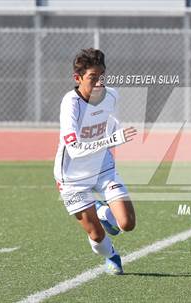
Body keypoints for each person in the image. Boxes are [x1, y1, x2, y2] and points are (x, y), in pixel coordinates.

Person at [54, 48, 137, 275]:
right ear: (77, 78)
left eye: (102, 77)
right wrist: (111, 139)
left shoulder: (111, 94)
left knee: (127, 224)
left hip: (103, 168)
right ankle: (111, 255)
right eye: (93, 78)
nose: (99, 83)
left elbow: (110, 121)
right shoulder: (70, 104)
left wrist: (115, 132)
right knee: (97, 235)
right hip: (72, 177)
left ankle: (101, 210)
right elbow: (75, 149)